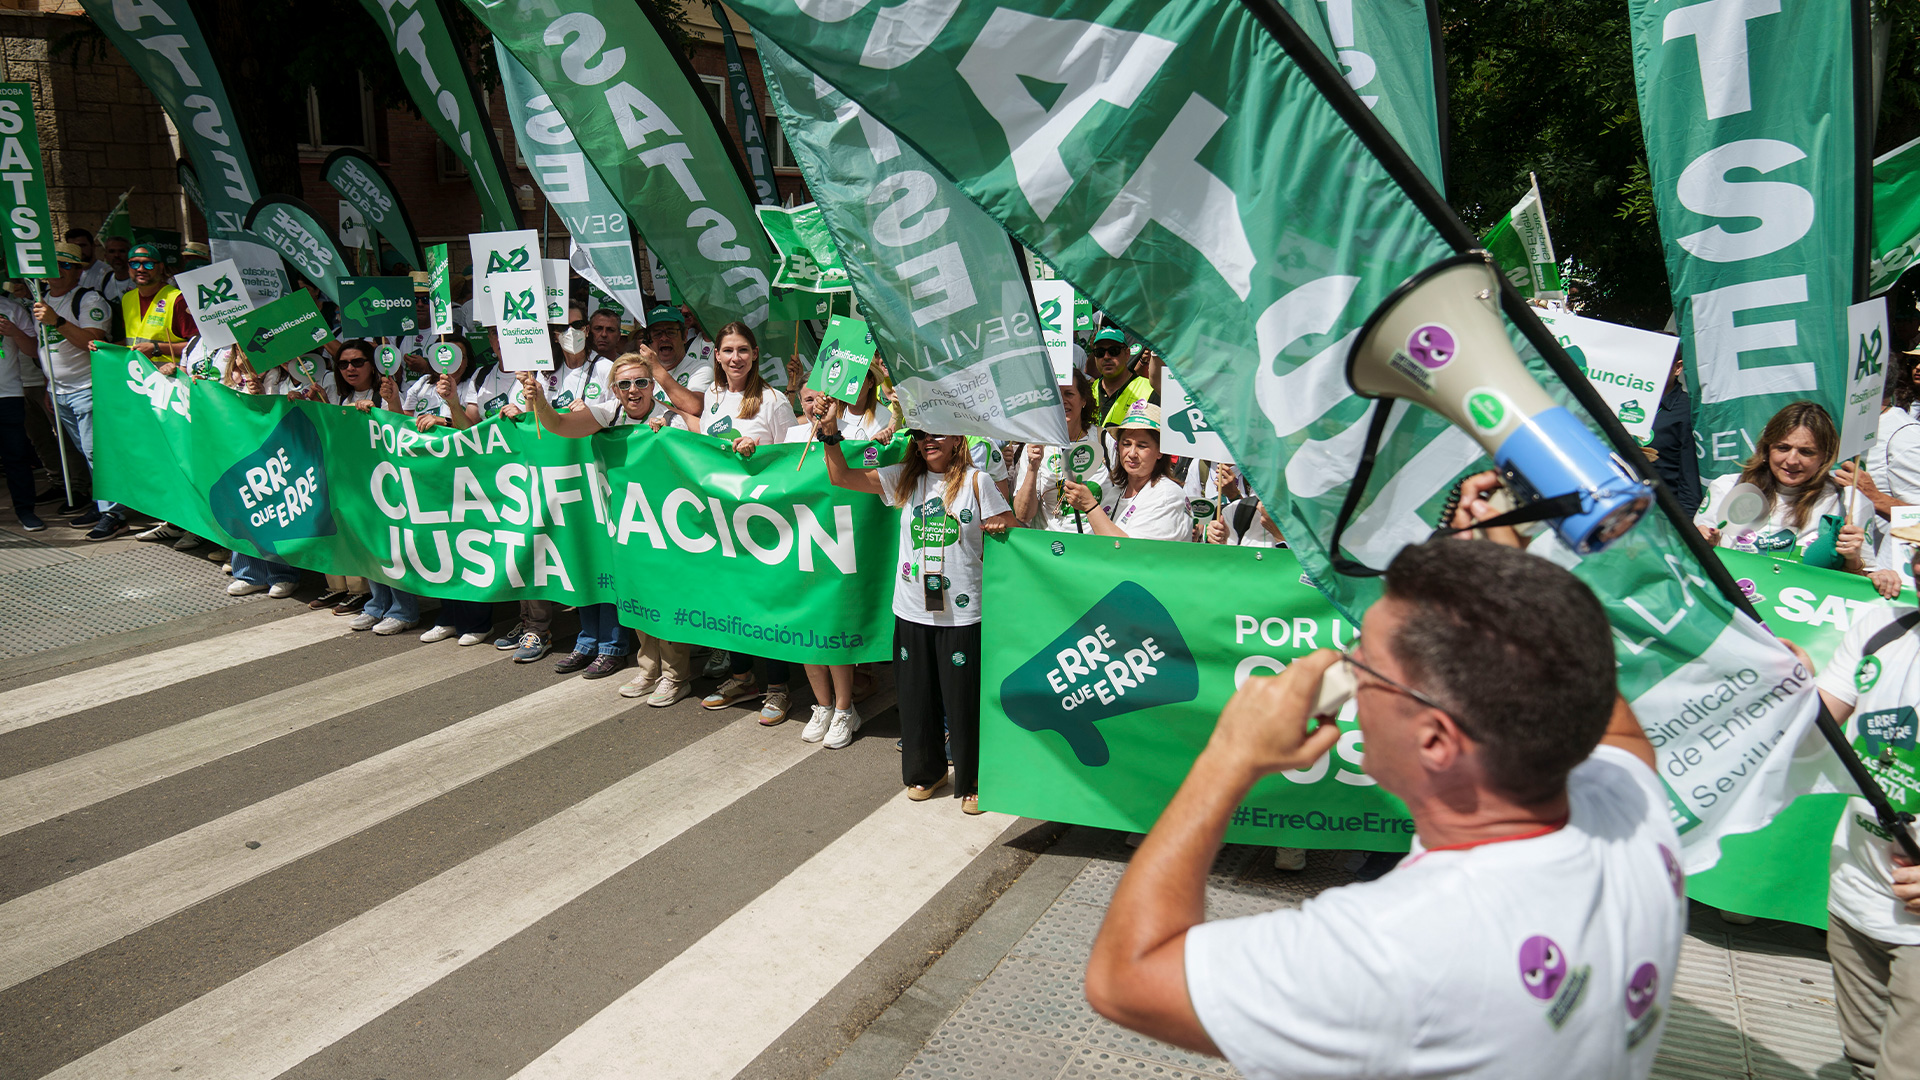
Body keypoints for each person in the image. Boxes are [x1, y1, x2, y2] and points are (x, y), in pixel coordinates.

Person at [1083, 538, 1683, 1079]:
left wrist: (1229, 756)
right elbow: (1617, 726)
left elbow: (1124, 979)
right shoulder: (1632, 813)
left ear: (1436, 741)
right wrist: (1503, 575)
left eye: (1363, 664)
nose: (1344, 671)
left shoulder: (1395, 947)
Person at [822, 421, 1015, 812]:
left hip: (964, 614)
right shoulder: (905, 478)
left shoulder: (978, 482)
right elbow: (841, 476)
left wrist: (1000, 524)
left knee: (964, 700)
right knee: (915, 697)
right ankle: (927, 773)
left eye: (938, 433)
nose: (929, 440)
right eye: (921, 434)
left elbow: (1011, 529)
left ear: (958, 437)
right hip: (912, 609)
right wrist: (829, 435)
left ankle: (975, 778)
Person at [1806, 522, 1920, 1080]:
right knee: (1865, 1063)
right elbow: (1815, 726)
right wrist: (1780, 678)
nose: (1919, 565)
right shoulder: (1881, 624)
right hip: (1857, 894)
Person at [652, 321, 801, 721]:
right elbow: (700, 431)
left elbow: (793, 463)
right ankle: (743, 677)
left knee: (766, 606)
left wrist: (757, 452)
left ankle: (777, 688)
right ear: (716, 355)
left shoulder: (772, 401)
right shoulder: (714, 395)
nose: (735, 358)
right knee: (730, 600)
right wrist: (666, 426)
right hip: (722, 523)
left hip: (764, 522)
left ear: (754, 354)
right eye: (728, 350)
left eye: (743, 350)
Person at [1694, 401, 1893, 596]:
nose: (1791, 460)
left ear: (1825, 456)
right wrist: (1703, 543)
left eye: (1806, 452)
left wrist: (1853, 561)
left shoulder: (1850, 502)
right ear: (1767, 448)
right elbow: (1692, 566)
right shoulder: (1727, 488)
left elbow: (1860, 589)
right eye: (1782, 448)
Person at [32, 241, 123, 539]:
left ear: (79, 271)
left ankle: (115, 513)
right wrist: (49, 385)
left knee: (98, 453)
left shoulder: (89, 300)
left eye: (66, 266)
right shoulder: (41, 299)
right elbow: (44, 349)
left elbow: (92, 342)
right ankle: (102, 504)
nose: (58, 272)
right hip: (60, 392)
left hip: (88, 387)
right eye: (53, 266)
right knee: (87, 452)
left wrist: (56, 321)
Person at [1063, 401, 1191, 542]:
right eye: (1126, 444)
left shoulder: (1167, 495)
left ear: (1160, 451)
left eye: (1142, 446)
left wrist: (1090, 506)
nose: (1132, 453)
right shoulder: (1116, 493)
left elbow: (1129, 552)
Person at [1014, 369, 1112, 533]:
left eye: (1069, 394)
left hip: (1096, 549)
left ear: (1083, 400)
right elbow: (1022, 515)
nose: (1062, 401)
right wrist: (1033, 468)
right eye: (1055, 396)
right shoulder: (1036, 445)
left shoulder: (1104, 440)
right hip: (1052, 550)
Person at [0, 284, 43, 530]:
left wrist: (14, 332)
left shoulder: (11, 308)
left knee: (16, 457)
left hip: (8, 394)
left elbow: (31, 350)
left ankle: (26, 511)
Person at [118, 243, 194, 363]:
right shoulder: (127, 298)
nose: (140, 269)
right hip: (136, 376)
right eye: (134, 264)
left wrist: (157, 348)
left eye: (148, 264)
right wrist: (105, 347)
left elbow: (199, 346)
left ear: (161, 267)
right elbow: (132, 341)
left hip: (170, 377)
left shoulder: (177, 299)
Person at [644, 305, 714, 427]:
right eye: (657, 334)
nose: (664, 338)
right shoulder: (640, 373)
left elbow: (695, 407)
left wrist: (655, 368)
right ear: (648, 339)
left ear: (685, 336)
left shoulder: (701, 368)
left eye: (671, 332)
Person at [1647, 353, 1700, 515]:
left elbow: (1689, 478)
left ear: (1677, 368)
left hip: (1659, 517)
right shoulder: (1622, 401)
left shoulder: (1687, 411)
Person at [1087, 327, 1158, 427]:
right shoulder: (1087, 392)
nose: (1106, 357)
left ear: (1127, 354)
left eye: (1114, 351)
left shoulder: (1150, 390)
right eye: (1100, 352)